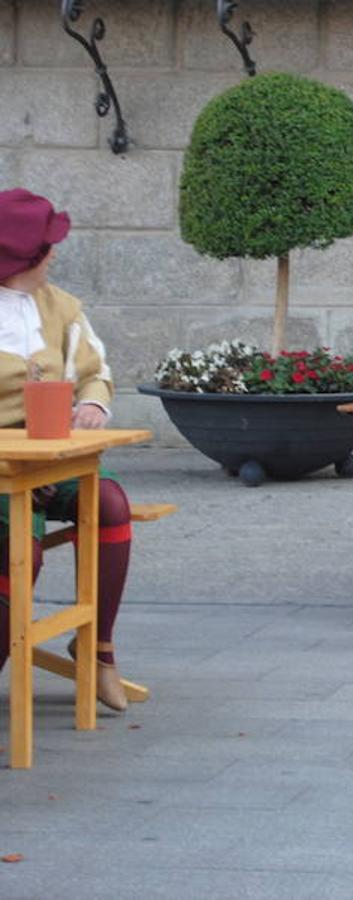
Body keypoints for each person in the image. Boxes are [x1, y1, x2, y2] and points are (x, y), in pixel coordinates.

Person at [0, 188, 133, 711]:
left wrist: (94, 406)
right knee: (21, 545)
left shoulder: (62, 308)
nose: (56, 253)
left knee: (109, 503)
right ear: (22, 256)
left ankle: (97, 649)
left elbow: (95, 372)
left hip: (54, 458)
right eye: (47, 245)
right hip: (4, 469)